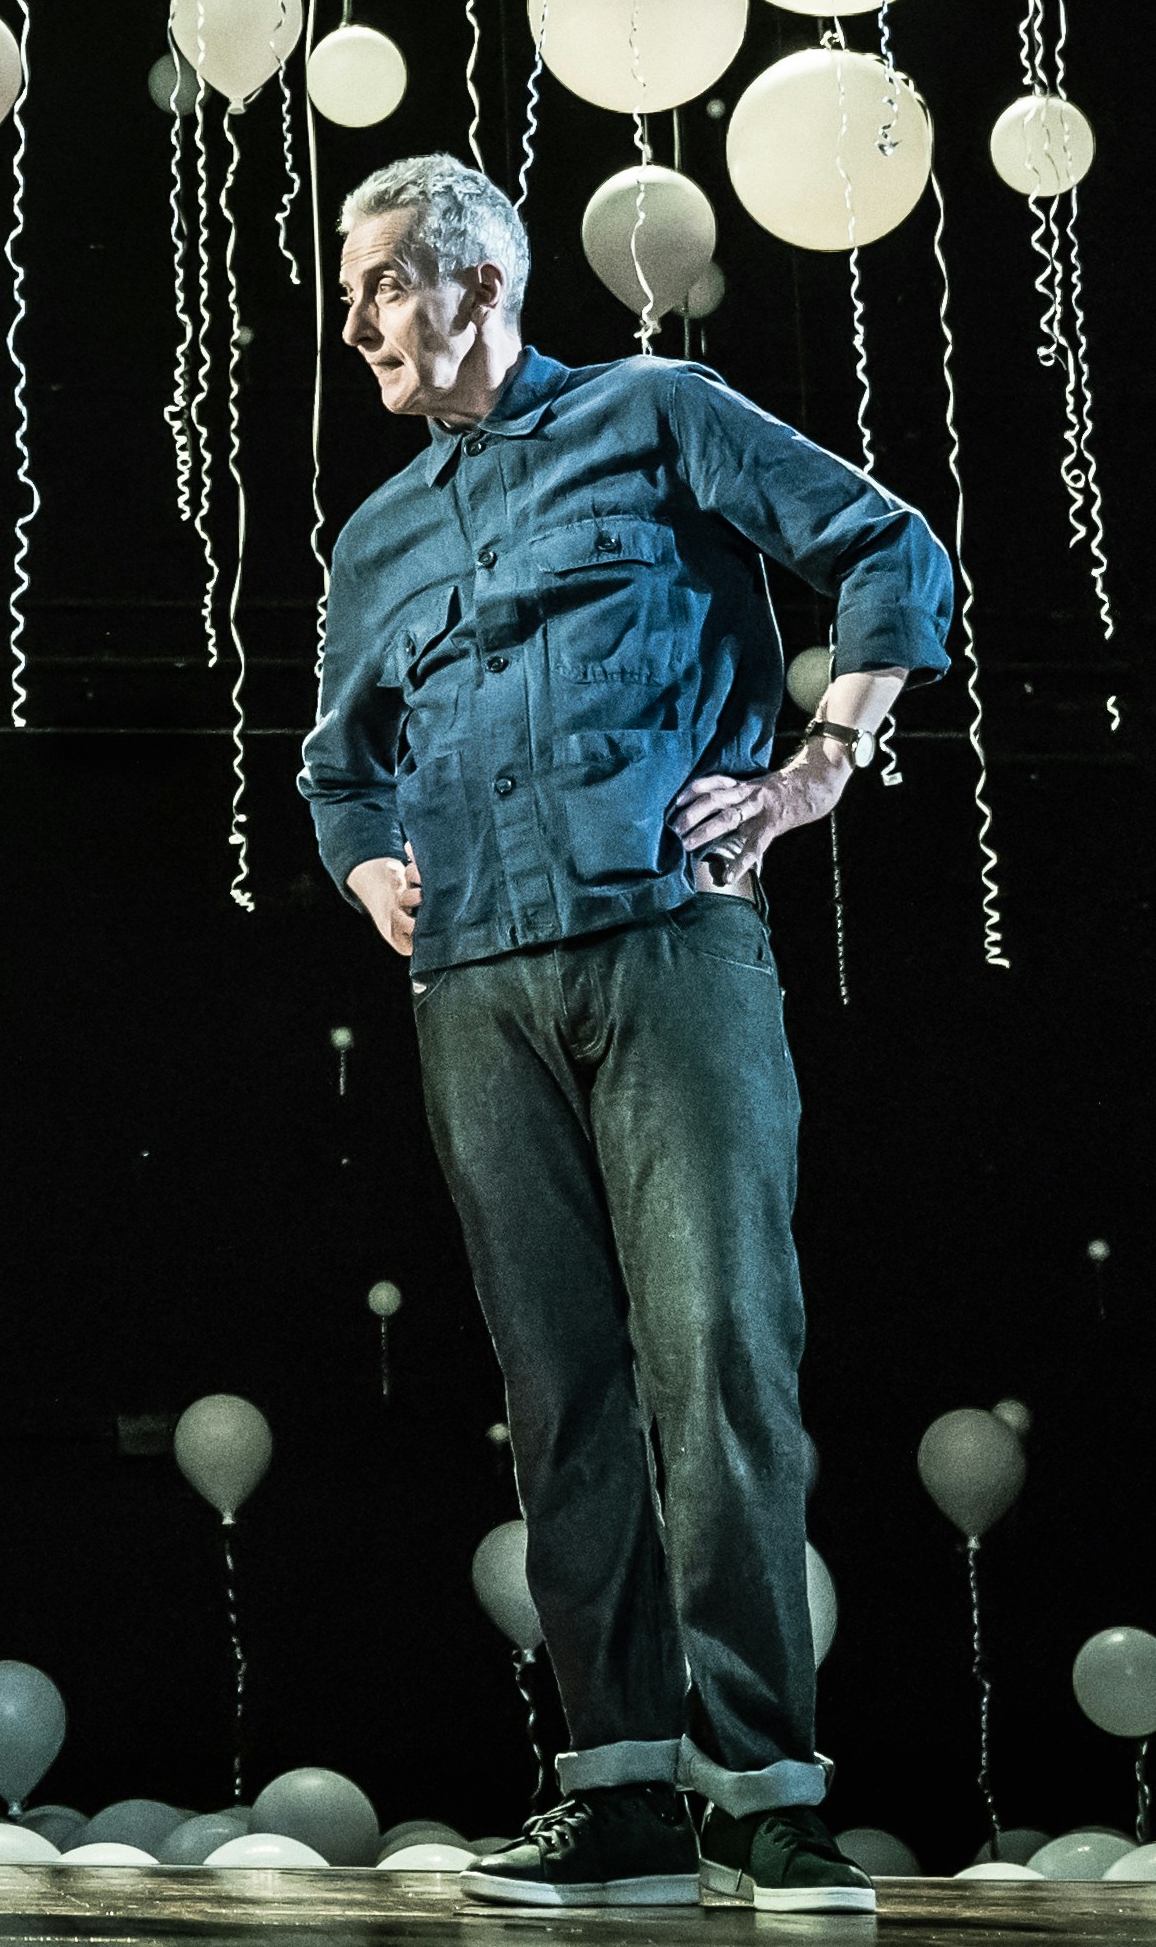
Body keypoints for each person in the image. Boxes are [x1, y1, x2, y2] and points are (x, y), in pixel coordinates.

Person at [298, 156, 950, 1917]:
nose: (350, 321)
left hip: (668, 950)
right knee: (560, 1394)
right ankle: (622, 1799)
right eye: (350, 292)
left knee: (716, 1350)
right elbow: (332, 761)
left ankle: (770, 1794)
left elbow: (888, 550)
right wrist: (367, 867)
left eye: (372, 285)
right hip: (477, 991)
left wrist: (818, 766)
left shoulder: (656, 412)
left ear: (473, 280)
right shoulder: (376, 535)